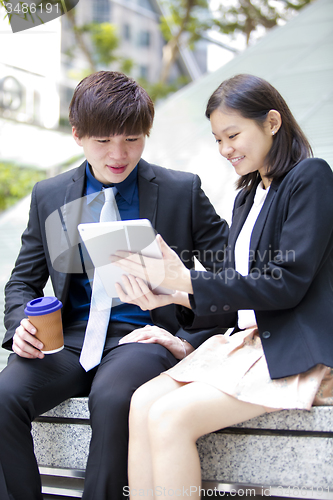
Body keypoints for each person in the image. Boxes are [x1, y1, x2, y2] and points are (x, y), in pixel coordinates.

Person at [0, 71, 229, 500]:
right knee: (3, 397)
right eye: (103, 141)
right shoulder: (51, 195)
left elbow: (231, 275)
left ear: (146, 134)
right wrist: (20, 328)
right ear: (78, 136)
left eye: (132, 140)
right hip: (67, 342)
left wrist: (189, 338)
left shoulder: (182, 191)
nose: (119, 154)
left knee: (113, 400)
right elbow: (22, 282)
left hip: (141, 338)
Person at [113, 74, 333, 499]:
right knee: (141, 403)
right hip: (246, 345)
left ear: (272, 122)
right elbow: (240, 296)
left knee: (170, 417)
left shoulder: (311, 178)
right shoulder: (247, 197)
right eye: (217, 139)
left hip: (294, 352)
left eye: (232, 134)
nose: (225, 149)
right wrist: (172, 295)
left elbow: (285, 285)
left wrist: (188, 279)